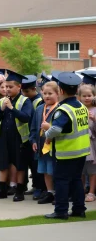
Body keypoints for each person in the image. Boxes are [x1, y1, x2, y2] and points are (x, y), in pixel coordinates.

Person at [44, 72, 90, 220]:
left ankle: (61, 210)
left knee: (61, 181)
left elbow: (56, 129)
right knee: (76, 180)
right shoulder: (81, 106)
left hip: (67, 152)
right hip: (81, 151)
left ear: (61, 91)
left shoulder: (63, 109)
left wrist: (47, 133)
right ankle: (79, 209)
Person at [0, 70, 32, 202]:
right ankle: (2, 190)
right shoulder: (3, 101)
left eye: (10, 87)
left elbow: (26, 117)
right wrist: (1, 110)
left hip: (19, 137)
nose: (7, 89)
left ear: (19, 87)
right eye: (6, 87)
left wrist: (12, 108)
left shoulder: (25, 101)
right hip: (4, 136)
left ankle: (19, 190)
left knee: (19, 164)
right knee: (3, 163)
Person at [30, 81, 59, 204]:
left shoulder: (59, 109)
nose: (47, 96)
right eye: (45, 93)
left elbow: (60, 128)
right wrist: (33, 140)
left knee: (54, 171)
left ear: (58, 94)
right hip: (41, 146)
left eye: (50, 93)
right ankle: (50, 192)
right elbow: (33, 128)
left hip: (54, 146)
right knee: (46, 171)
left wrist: (49, 127)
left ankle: (59, 193)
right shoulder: (39, 109)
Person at [78, 84, 96, 202]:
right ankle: (81, 190)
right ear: (79, 97)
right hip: (79, 144)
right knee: (80, 170)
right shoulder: (78, 109)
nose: (87, 98)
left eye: (89, 95)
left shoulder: (95, 110)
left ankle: (91, 192)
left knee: (92, 170)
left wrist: (94, 119)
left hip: (92, 145)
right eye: (84, 96)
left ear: (94, 96)